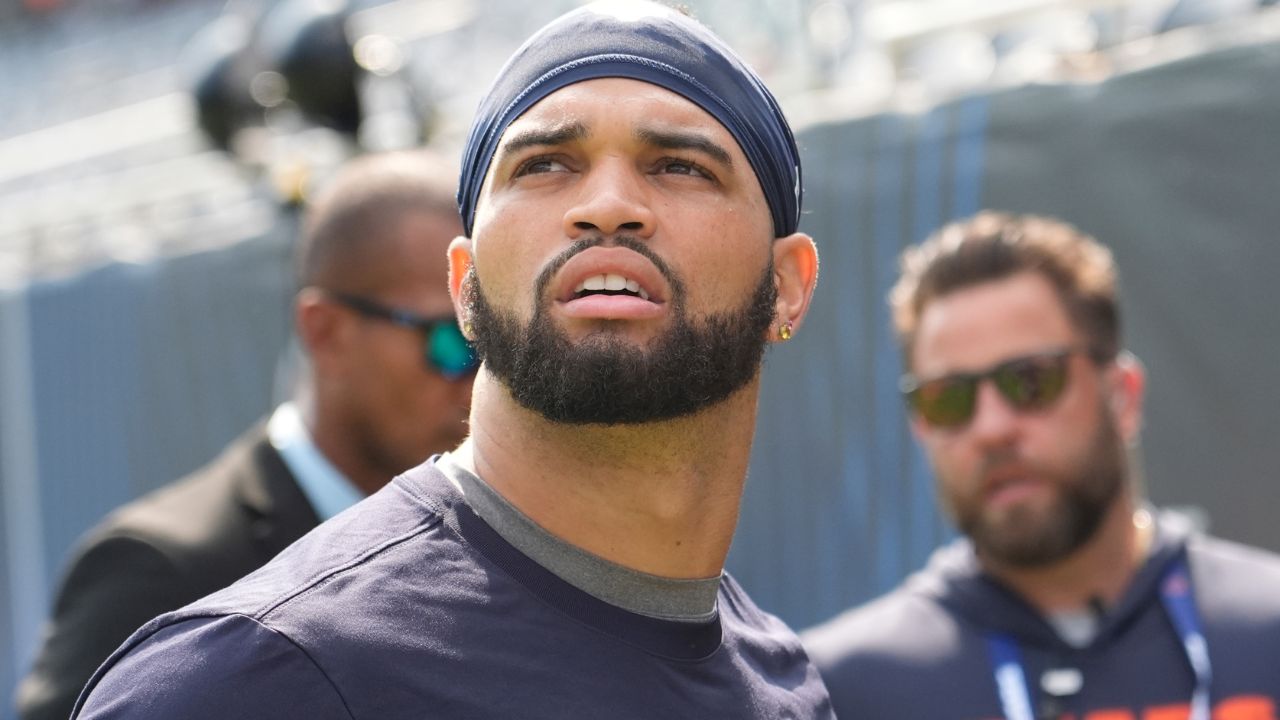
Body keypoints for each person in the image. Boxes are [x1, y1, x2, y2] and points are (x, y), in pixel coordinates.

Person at [70, 2, 831, 718]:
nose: (606, 204)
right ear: (464, 285)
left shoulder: (783, 682)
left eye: (680, 166)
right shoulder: (246, 680)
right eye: (544, 165)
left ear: (787, 287)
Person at [16, 149, 477, 720]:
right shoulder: (163, 570)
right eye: (453, 340)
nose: (480, 377)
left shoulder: (481, 552)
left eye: (496, 340)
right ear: (325, 332)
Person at [803, 211, 1280, 719]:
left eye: (1031, 380)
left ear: (1123, 396)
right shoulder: (839, 688)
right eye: (949, 399)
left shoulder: (1266, 630)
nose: (991, 429)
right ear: (921, 426)